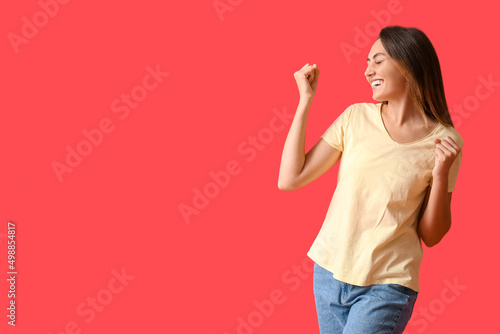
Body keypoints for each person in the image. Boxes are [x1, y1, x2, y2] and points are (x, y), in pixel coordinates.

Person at [277, 25, 463, 334]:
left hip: (388, 283)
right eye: (367, 62)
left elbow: (432, 235)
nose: (367, 71)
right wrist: (304, 102)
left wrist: (441, 173)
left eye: (377, 61)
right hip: (329, 273)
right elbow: (289, 178)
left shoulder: (444, 140)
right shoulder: (355, 118)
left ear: (408, 63)